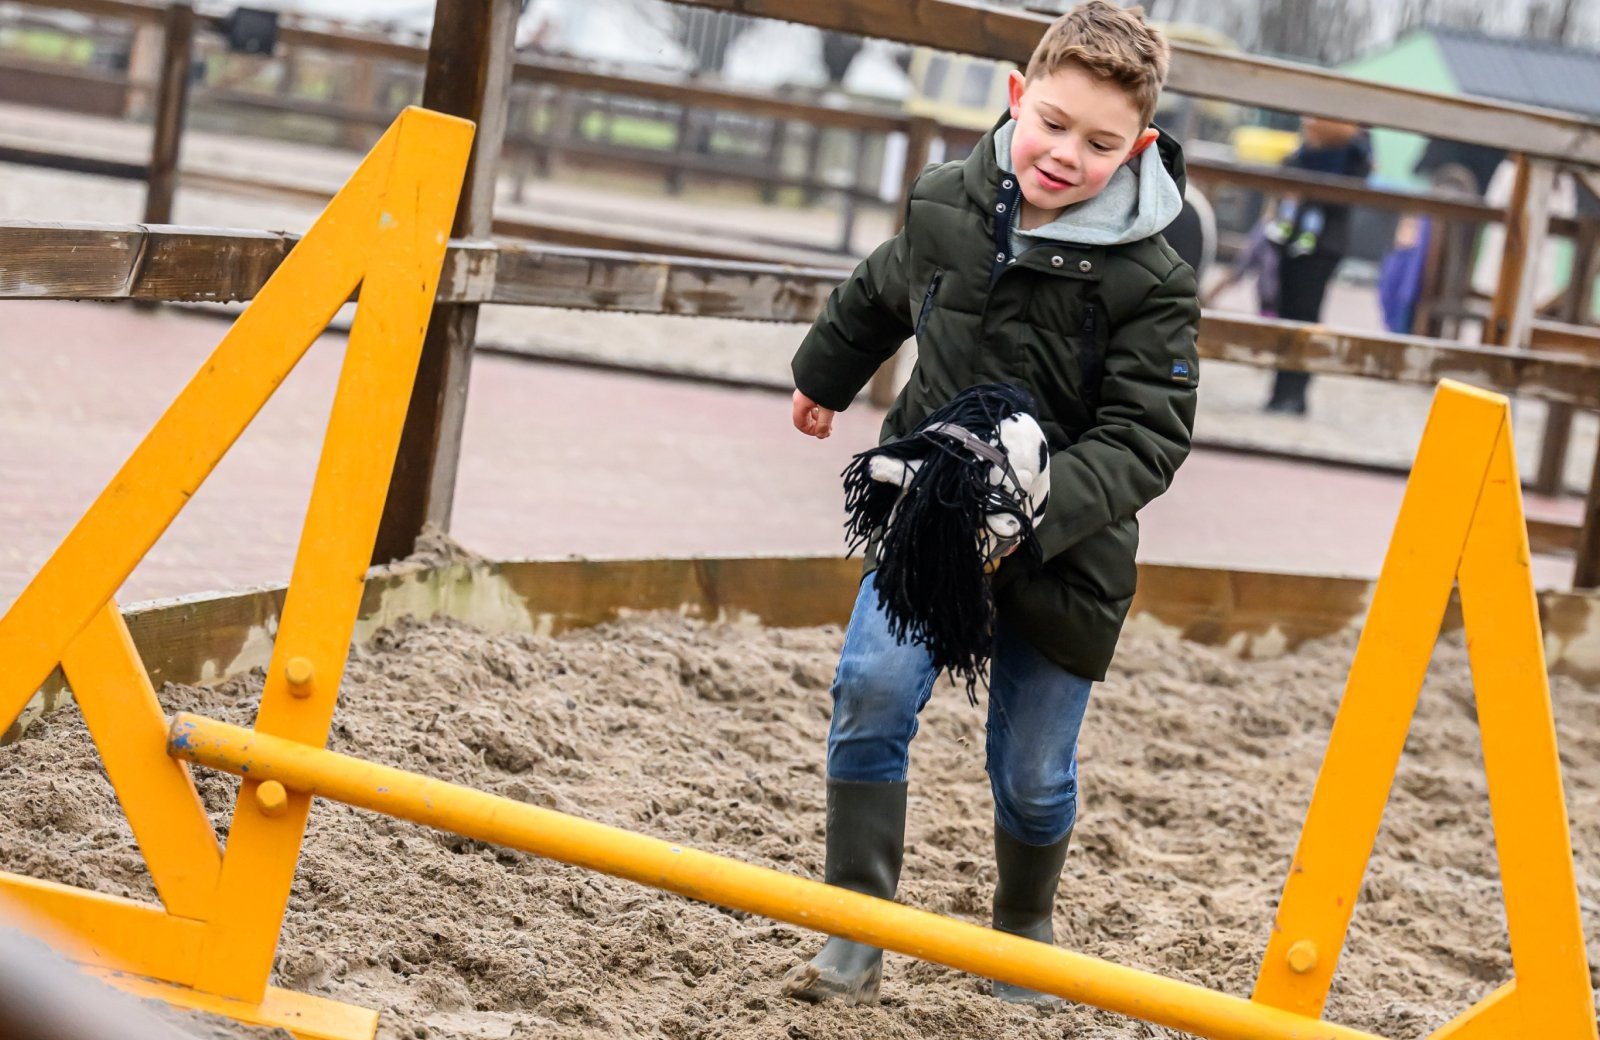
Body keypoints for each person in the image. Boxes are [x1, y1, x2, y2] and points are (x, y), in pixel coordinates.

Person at [782, 1, 1199, 1007]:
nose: (1065, 154)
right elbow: (883, 288)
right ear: (1017, 99)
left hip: (1066, 554)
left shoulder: (1151, 276)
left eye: (1100, 144)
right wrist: (823, 375)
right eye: (1052, 123)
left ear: (1136, 147)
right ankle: (855, 919)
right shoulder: (944, 204)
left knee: (1031, 771)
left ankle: (1022, 922)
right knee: (871, 692)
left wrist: (1033, 512)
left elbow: (1149, 434)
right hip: (930, 515)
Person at [1262, 116, 1373, 415]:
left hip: (1319, 247)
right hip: (1294, 241)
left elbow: (1340, 197)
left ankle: (1294, 391)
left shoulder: (1352, 156)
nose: (1306, 124)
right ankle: (1282, 391)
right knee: (1288, 314)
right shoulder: (1306, 153)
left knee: (1304, 316)